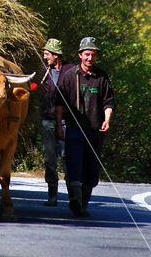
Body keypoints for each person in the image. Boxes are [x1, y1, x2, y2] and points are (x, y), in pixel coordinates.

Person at [55, 37, 115, 217]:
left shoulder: (102, 77)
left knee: (91, 168)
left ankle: (84, 203)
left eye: (93, 55)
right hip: (74, 129)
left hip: (95, 131)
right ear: (80, 55)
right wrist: (59, 125)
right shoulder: (69, 76)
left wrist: (107, 119)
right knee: (74, 165)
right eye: (87, 54)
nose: (90, 58)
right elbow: (59, 103)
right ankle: (76, 200)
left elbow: (109, 102)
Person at [40, 38, 75, 206]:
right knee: (49, 159)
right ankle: (52, 195)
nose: (45, 56)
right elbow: (34, 88)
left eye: (47, 54)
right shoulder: (43, 71)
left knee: (67, 157)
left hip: (66, 122)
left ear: (56, 55)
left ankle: (73, 197)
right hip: (48, 121)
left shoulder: (71, 71)